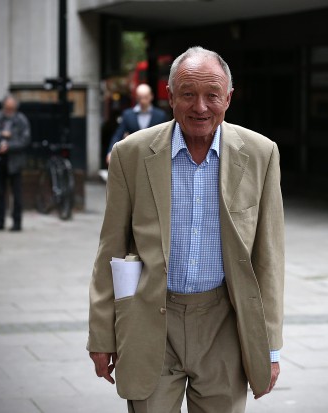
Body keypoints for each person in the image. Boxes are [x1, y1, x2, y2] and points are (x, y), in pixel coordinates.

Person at [87, 46, 284, 413]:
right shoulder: (131, 154)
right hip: (150, 319)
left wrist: (270, 347)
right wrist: (101, 334)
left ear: (228, 98)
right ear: (170, 96)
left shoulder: (261, 154)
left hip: (224, 323)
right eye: (188, 94)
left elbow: (268, 259)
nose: (201, 107)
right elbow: (109, 249)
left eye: (212, 95)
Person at [0, 94, 31, 231]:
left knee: (17, 193)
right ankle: (0, 221)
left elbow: (25, 140)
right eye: (7, 108)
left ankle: (17, 222)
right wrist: (0, 134)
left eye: (12, 108)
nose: (9, 111)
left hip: (15, 162)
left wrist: (9, 146)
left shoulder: (21, 120)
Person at [105, 83, 168, 165]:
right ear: (136, 98)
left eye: (145, 97)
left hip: (154, 157)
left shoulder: (160, 115)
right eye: (140, 97)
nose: (143, 100)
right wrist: (111, 152)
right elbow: (118, 134)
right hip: (133, 157)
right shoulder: (128, 115)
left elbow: (166, 137)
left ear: (151, 96)